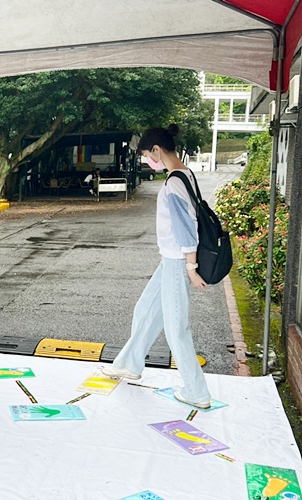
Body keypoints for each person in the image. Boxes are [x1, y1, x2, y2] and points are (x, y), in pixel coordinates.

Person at [101, 124, 211, 409]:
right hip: (171, 260)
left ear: (157, 150)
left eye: (147, 155)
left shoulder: (174, 183)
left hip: (177, 261)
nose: (147, 160)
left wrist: (191, 267)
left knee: (176, 329)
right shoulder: (185, 174)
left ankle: (197, 393)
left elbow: (186, 227)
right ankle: (129, 364)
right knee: (145, 309)